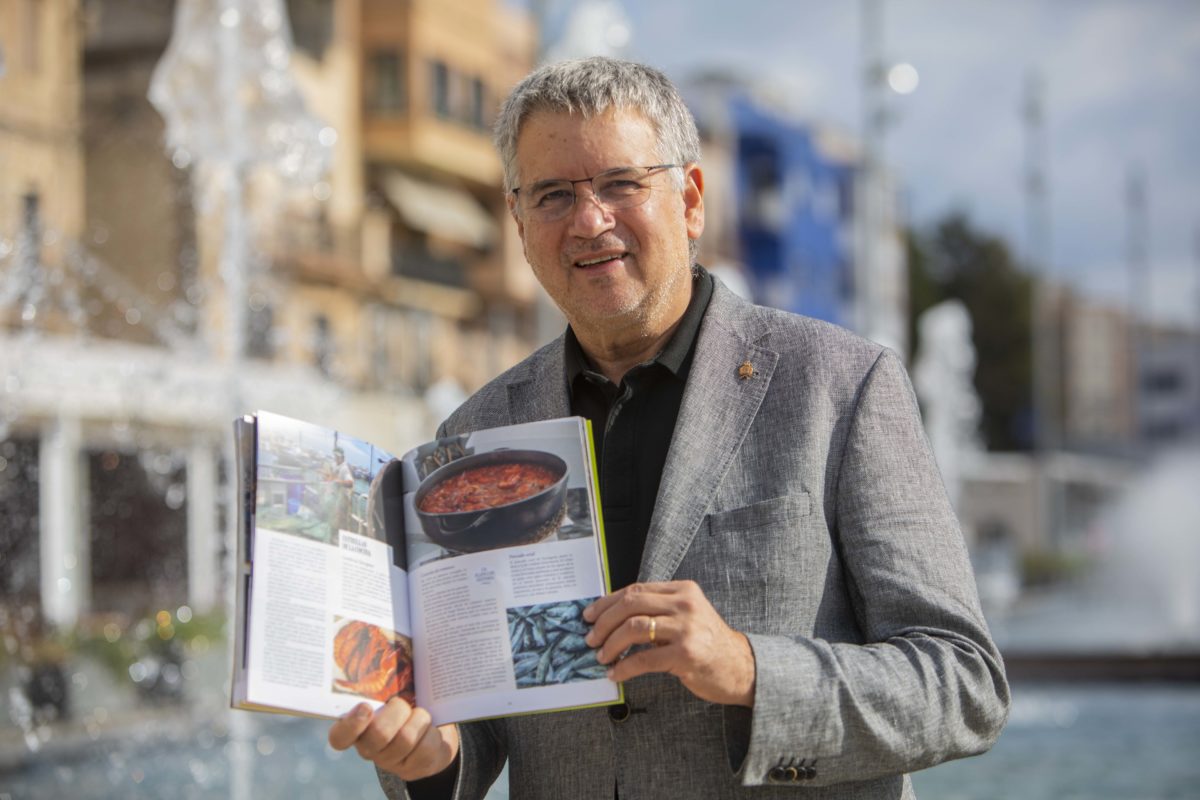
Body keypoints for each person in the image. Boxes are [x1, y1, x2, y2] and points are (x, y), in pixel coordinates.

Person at [329, 56, 1009, 799]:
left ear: (689, 200)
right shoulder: (478, 430)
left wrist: (750, 670)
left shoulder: (841, 386)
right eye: (553, 195)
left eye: (622, 183)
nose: (590, 220)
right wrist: (430, 758)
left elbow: (964, 685)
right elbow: (481, 715)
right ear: (520, 225)